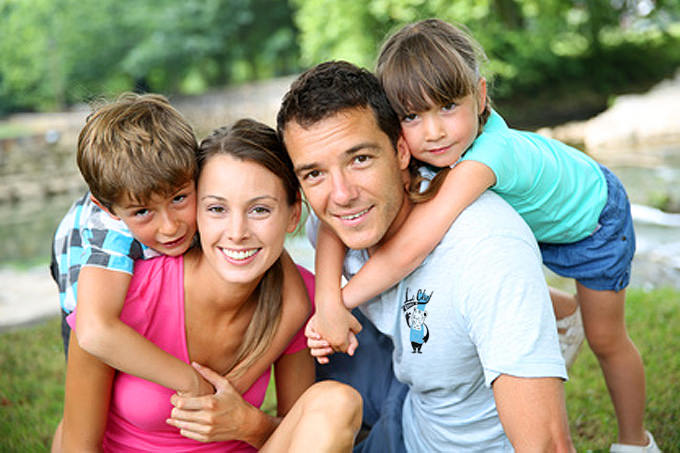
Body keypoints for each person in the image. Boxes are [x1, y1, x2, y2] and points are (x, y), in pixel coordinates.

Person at [308, 19, 659, 452]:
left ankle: (635, 441)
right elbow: (331, 225)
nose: (433, 132)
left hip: (592, 222)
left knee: (607, 338)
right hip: (537, 222)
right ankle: (558, 309)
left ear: (480, 95)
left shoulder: (489, 155)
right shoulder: (438, 150)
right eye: (412, 116)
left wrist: (338, 304)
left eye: (447, 108)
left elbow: (414, 247)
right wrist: (325, 298)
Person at [276, 60, 573, 451]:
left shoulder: (485, 247)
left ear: (401, 150)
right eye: (314, 173)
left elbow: (547, 445)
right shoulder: (339, 219)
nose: (342, 194)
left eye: (360, 159)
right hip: (407, 395)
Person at [56, 119, 363, 452]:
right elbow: (76, 443)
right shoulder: (121, 299)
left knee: (337, 402)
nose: (237, 231)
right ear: (199, 211)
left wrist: (245, 422)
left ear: (293, 216)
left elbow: (297, 434)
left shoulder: (298, 296)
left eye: (260, 209)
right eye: (217, 208)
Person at [50, 93, 311, 398]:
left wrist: (240, 381)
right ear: (110, 209)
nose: (171, 226)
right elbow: (94, 332)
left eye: (179, 198)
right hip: (79, 300)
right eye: (144, 211)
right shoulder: (108, 231)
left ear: (194, 174)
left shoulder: (193, 189)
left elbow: (297, 303)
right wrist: (191, 383)